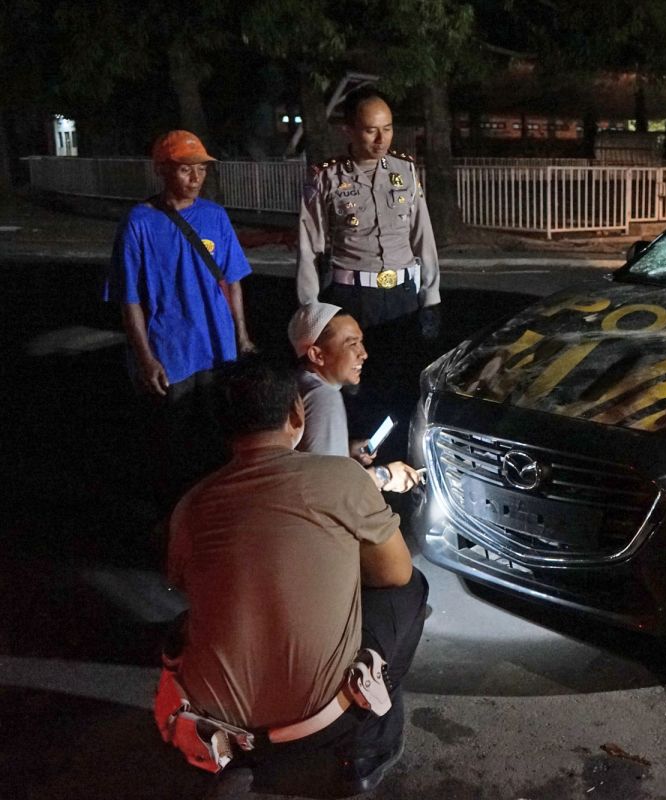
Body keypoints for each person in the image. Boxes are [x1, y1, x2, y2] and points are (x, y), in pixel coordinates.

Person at [163, 357, 427, 795]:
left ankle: (238, 760)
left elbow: (186, 582)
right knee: (411, 591)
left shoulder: (191, 504)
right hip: (318, 724)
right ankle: (365, 747)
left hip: (218, 723)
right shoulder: (342, 477)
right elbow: (395, 574)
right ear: (296, 414)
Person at [105, 130, 256, 508]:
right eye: (186, 169)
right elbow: (130, 299)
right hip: (171, 354)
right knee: (173, 446)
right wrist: (146, 358)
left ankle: (216, 513)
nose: (195, 177)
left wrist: (242, 337)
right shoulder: (138, 223)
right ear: (162, 170)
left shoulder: (215, 216)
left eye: (201, 170)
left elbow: (233, 282)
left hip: (218, 350)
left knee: (222, 439)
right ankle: (174, 519)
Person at [296, 88, 441, 340]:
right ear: (349, 130)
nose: (381, 139)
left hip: (403, 296)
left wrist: (431, 298)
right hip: (352, 298)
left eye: (387, 128)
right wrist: (311, 309)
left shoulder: (405, 170)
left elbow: (423, 237)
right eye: (370, 130)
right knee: (355, 377)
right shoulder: (326, 177)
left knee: (401, 373)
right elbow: (308, 248)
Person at [287, 301, 422, 492]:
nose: (364, 354)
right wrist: (385, 475)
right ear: (317, 355)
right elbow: (330, 486)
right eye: (352, 344)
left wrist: (346, 450)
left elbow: (310, 460)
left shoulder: (300, 382)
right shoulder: (323, 398)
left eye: (361, 342)